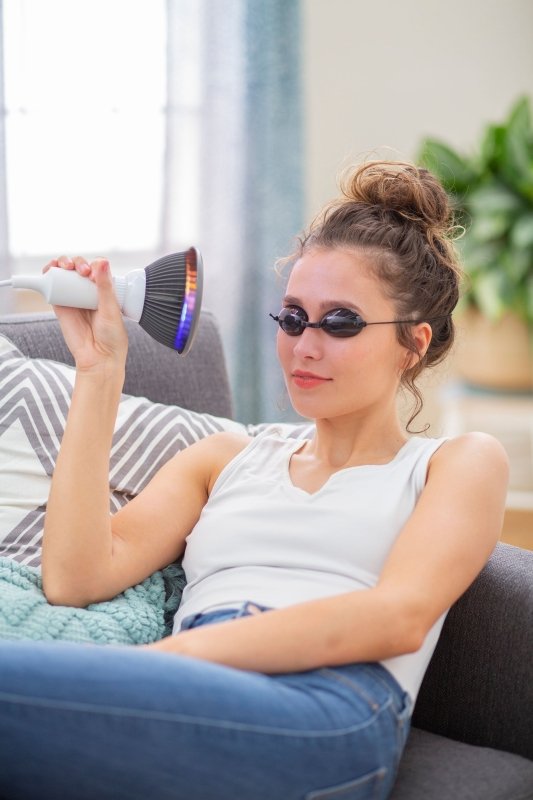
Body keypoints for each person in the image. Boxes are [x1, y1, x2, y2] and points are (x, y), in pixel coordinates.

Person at [0, 161, 508, 800]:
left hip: (328, 706)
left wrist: (157, 663)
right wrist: (100, 370)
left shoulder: (455, 462)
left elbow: (398, 617)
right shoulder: (226, 457)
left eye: (341, 322)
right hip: (188, 693)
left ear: (412, 343)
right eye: (293, 318)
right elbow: (76, 578)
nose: (305, 345)